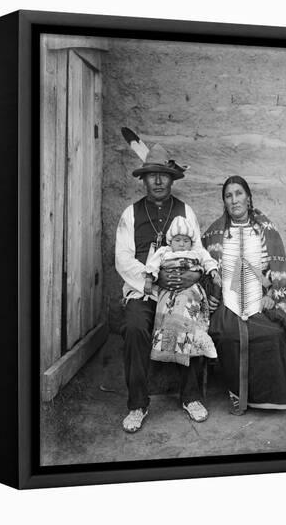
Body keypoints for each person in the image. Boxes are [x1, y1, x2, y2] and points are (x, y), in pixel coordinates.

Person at [115, 143, 209, 433]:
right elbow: (122, 259)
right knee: (133, 325)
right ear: (143, 180)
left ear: (171, 179)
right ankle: (137, 404)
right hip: (144, 289)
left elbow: (199, 252)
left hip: (180, 287)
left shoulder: (185, 211)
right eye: (151, 175)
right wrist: (153, 279)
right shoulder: (130, 213)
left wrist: (193, 276)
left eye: (163, 175)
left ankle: (190, 397)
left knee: (191, 319)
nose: (157, 181)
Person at [202, 175, 286, 415]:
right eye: (228, 195)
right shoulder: (214, 234)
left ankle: (268, 395)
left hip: (260, 301)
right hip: (227, 303)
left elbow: (278, 271)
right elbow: (202, 269)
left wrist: (272, 294)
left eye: (238, 193)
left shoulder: (267, 231)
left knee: (274, 334)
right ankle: (237, 392)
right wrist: (211, 294)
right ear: (224, 202)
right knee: (228, 334)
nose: (234, 200)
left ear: (248, 197)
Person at [144, 215, 221, 366]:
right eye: (177, 240)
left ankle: (199, 341)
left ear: (191, 242)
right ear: (170, 241)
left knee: (185, 309)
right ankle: (167, 348)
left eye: (186, 241)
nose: (181, 244)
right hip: (168, 290)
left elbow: (207, 259)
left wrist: (213, 271)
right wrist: (148, 280)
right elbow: (152, 265)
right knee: (168, 314)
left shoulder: (195, 252)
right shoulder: (164, 252)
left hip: (190, 289)